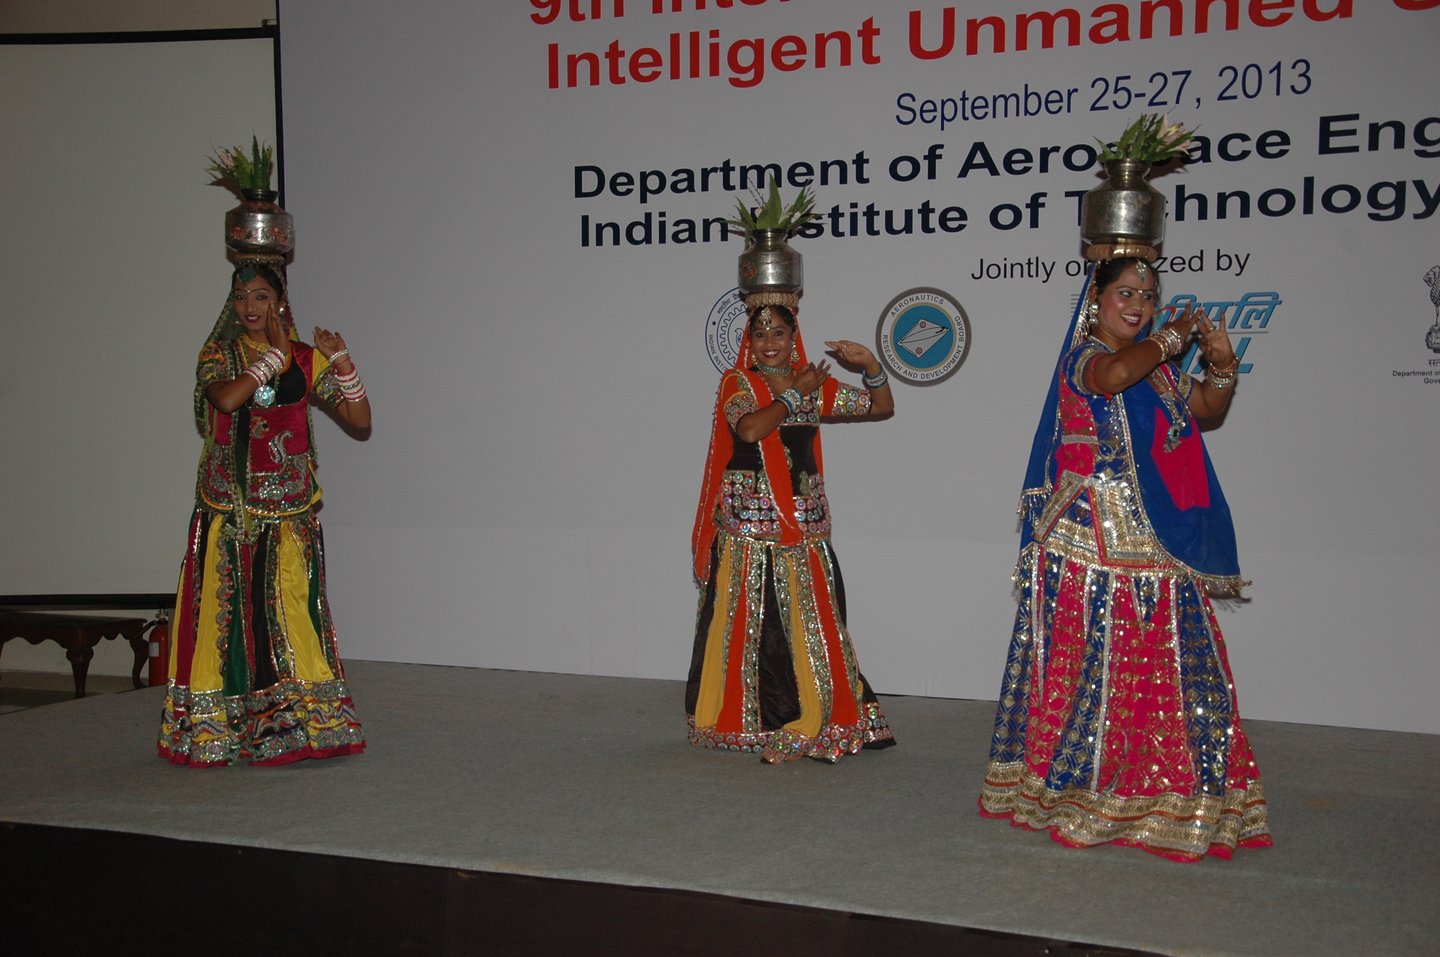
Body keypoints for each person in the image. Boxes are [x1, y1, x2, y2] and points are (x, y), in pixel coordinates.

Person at [979, 256, 1272, 860]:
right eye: (1126, 293)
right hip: (1091, 547)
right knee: (1097, 672)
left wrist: (1221, 365)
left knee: (1178, 667)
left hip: (1156, 538)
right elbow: (1113, 376)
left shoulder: (1157, 370)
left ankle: (1172, 794)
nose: (1138, 304)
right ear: (1097, 298)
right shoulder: (1085, 358)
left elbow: (1206, 410)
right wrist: (1171, 339)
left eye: (1148, 295)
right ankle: (1083, 791)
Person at [157, 260, 370, 766]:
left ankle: (298, 723)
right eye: (241, 297)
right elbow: (228, 400)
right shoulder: (219, 354)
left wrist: (342, 362)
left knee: (288, 612)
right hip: (229, 511)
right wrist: (273, 358)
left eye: (260, 296)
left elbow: (359, 419)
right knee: (227, 619)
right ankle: (220, 729)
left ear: (278, 301)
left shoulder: (304, 358)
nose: (249, 307)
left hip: (288, 510)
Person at [688, 299, 897, 763]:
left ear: (793, 337)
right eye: (761, 334)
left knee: (812, 622)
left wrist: (870, 365)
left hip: (803, 525)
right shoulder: (738, 383)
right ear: (749, 341)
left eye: (779, 333)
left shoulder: (812, 382)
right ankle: (754, 720)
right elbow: (749, 430)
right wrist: (793, 396)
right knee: (751, 626)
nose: (770, 343)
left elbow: (881, 406)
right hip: (748, 526)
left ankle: (816, 715)